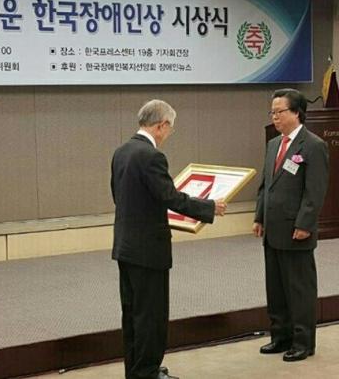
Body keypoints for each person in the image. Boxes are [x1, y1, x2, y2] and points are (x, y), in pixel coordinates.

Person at [111, 99, 227, 379]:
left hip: (126, 246)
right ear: (162, 125)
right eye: (170, 128)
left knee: (133, 314)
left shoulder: (121, 151)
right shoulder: (151, 156)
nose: (169, 134)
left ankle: (136, 370)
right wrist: (209, 207)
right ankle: (148, 372)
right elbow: (170, 197)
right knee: (151, 316)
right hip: (149, 251)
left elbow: (119, 195)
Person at [253, 88, 329, 362]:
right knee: (276, 288)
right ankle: (281, 336)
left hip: (297, 230)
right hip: (273, 229)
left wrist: (305, 224)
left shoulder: (313, 145)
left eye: (279, 112)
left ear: (297, 112)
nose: (274, 117)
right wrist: (259, 217)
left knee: (299, 290)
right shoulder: (274, 144)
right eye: (272, 112)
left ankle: (302, 342)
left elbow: (315, 191)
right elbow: (266, 185)